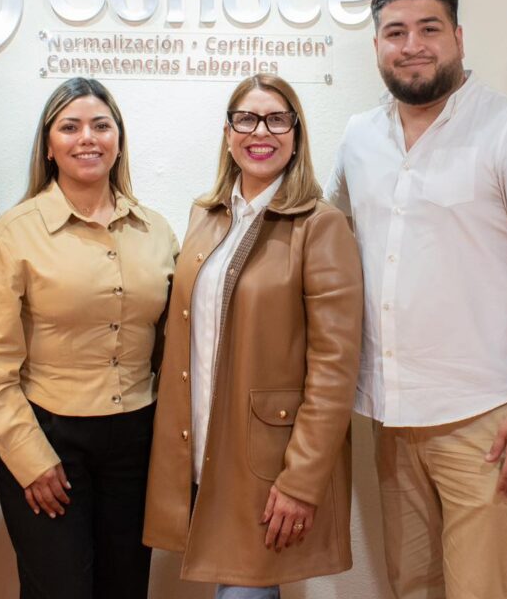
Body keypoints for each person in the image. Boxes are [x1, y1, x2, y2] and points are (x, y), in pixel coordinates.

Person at [325, 0, 507, 599]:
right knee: (412, 588)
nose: (412, 44)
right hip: (393, 417)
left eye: (429, 28)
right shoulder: (360, 136)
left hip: (488, 422)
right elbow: (327, 243)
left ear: (459, 37)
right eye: (395, 32)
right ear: (378, 46)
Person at [144, 74, 363, 598]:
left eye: (276, 119)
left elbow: (335, 369)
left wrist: (302, 480)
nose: (260, 131)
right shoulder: (207, 215)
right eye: (246, 118)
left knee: (245, 592)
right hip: (198, 443)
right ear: (227, 132)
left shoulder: (319, 225)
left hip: (269, 460)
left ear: (296, 133)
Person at [0, 77, 177, 599]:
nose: (88, 138)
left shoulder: (157, 231)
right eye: (70, 126)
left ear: (118, 139)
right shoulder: (12, 234)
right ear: (49, 145)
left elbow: (176, 344)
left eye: (101, 125)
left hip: (136, 442)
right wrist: (30, 458)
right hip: (48, 438)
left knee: (125, 589)